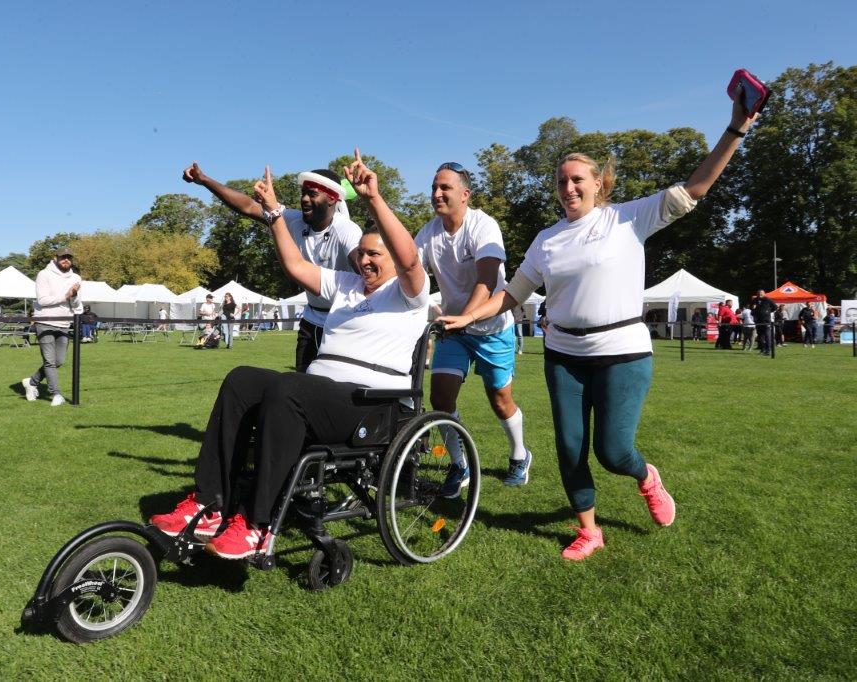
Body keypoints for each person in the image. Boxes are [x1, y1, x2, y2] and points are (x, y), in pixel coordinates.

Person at [440, 86, 756, 560]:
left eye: (577, 180)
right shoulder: (547, 239)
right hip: (563, 355)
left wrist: (735, 129)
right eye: (561, 181)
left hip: (623, 353)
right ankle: (589, 530)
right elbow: (512, 294)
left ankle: (646, 476)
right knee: (570, 447)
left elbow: (696, 190)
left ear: (598, 184)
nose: (568, 188)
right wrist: (467, 316)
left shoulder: (629, 219)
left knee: (612, 452)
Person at [151, 153, 428, 560]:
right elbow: (296, 266)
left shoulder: (409, 295)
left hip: (367, 403)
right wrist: (274, 213)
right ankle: (209, 503)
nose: (364, 260)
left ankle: (257, 525)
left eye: (375, 255)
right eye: (362, 254)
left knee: (289, 388)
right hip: (322, 392)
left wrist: (373, 198)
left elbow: (409, 259)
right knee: (242, 378)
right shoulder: (346, 284)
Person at [414, 162, 531, 492]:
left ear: (465, 195)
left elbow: (488, 276)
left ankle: (520, 455)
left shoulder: (484, 225)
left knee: (500, 400)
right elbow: (409, 273)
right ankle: (459, 465)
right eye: (434, 187)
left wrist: (467, 317)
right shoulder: (428, 233)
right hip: (454, 329)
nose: (436, 194)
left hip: (492, 327)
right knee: (441, 398)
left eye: (445, 188)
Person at [183, 161, 362, 371]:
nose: (304, 199)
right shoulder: (293, 220)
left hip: (342, 322)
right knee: (302, 387)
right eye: (303, 193)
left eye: (312, 194)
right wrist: (204, 180)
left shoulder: (346, 230)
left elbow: (363, 265)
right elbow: (249, 207)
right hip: (311, 320)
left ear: (332, 199)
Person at [22, 246, 83, 406]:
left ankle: (32, 382)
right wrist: (66, 295)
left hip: (64, 323)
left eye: (69, 257)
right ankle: (56, 394)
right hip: (45, 321)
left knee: (59, 361)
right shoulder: (44, 274)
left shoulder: (76, 277)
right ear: (55, 258)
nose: (66, 260)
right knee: (49, 361)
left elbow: (76, 303)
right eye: (63, 257)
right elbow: (43, 300)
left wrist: (74, 295)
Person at [752, 289, 776, 355]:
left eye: (761, 293)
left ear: (764, 293)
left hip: (766, 321)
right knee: (760, 337)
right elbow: (752, 309)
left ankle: (768, 350)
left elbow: (775, 307)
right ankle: (762, 349)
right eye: (759, 293)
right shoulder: (755, 300)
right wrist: (753, 310)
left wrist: (767, 311)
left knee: (767, 336)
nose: (760, 294)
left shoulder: (768, 300)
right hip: (758, 321)